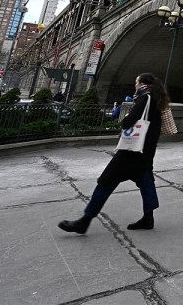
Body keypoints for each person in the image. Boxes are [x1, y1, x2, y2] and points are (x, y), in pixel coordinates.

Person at [58, 73, 168, 234]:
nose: (135, 85)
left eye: (136, 82)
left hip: (131, 152)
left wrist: (126, 118)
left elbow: (128, 122)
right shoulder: (157, 100)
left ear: (143, 84)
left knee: (106, 182)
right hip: (145, 153)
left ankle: (85, 221)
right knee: (146, 184)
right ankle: (148, 218)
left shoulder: (145, 99)